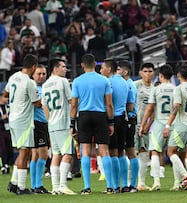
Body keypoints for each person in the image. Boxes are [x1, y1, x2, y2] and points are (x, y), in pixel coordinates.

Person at [70, 54, 114, 194]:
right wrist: (111, 122)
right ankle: (110, 187)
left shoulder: (77, 81)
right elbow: (109, 104)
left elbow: (74, 105)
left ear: (82, 65)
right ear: (95, 64)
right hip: (100, 115)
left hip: (84, 115)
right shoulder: (104, 80)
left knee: (85, 152)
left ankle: (87, 187)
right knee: (104, 151)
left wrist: (72, 124)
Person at [163, 64, 187, 190]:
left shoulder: (179, 89)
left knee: (171, 152)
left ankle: (186, 177)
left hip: (182, 125)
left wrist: (168, 124)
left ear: (179, 76)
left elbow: (176, 107)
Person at [5, 54, 40, 195]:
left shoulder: (13, 77)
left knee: (22, 151)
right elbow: (36, 103)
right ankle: (21, 187)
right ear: (33, 67)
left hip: (13, 117)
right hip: (23, 120)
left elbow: (5, 93)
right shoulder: (29, 82)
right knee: (24, 152)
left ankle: (14, 183)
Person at [41, 59, 76, 195]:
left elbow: (44, 106)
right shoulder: (63, 82)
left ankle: (55, 187)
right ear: (55, 69)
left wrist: (50, 120)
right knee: (67, 154)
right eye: (63, 66)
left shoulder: (45, 85)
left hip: (52, 124)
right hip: (63, 122)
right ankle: (63, 185)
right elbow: (71, 101)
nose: (65, 69)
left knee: (56, 154)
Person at [100, 58, 133, 193]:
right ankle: (125, 184)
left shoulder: (108, 82)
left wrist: (109, 120)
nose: (101, 70)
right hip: (123, 118)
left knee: (112, 152)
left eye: (102, 68)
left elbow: (107, 103)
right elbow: (130, 104)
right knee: (121, 152)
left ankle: (114, 186)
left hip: (111, 119)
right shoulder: (125, 82)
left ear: (108, 69)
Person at [139, 64, 175, 191]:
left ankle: (156, 182)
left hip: (159, 124)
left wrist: (143, 125)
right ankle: (178, 182)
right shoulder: (175, 89)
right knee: (173, 153)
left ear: (160, 75)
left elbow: (149, 109)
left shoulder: (156, 89)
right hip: (173, 124)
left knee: (154, 151)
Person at [116, 61, 139, 193]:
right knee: (125, 152)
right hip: (127, 120)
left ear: (124, 72)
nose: (117, 72)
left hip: (128, 120)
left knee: (128, 152)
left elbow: (129, 106)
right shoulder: (128, 84)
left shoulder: (128, 85)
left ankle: (130, 184)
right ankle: (127, 184)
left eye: (118, 69)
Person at [134, 63, 155, 191]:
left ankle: (141, 183)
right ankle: (129, 182)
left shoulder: (154, 89)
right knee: (131, 153)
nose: (148, 73)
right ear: (141, 72)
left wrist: (147, 124)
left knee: (144, 153)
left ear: (154, 73)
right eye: (145, 71)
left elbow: (154, 110)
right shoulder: (135, 85)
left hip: (145, 125)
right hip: (133, 123)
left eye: (150, 71)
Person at [30, 64, 50, 194]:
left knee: (36, 155)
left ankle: (35, 185)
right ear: (33, 74)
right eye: (39, 74)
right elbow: (37, 104)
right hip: (37, 123)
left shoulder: (45, 87)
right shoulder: (33, 88)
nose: (41, 76)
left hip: (43, 123)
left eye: (43, 74)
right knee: (43, 154)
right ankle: (38, 184)